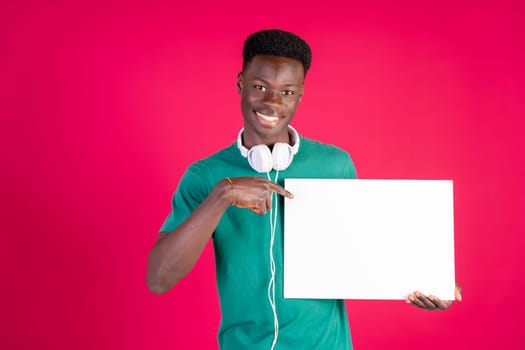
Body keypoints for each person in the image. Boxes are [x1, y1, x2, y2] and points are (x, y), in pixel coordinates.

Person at [146, 29, 461, 350]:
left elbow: (365, 248)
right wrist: (221, 195)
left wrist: (430, 279)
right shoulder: (205, 176)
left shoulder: (335, 165)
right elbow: (159, 278)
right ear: (240, 82)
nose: (272, 102)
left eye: (287, 92)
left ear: (300, 95)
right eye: (259, 87)